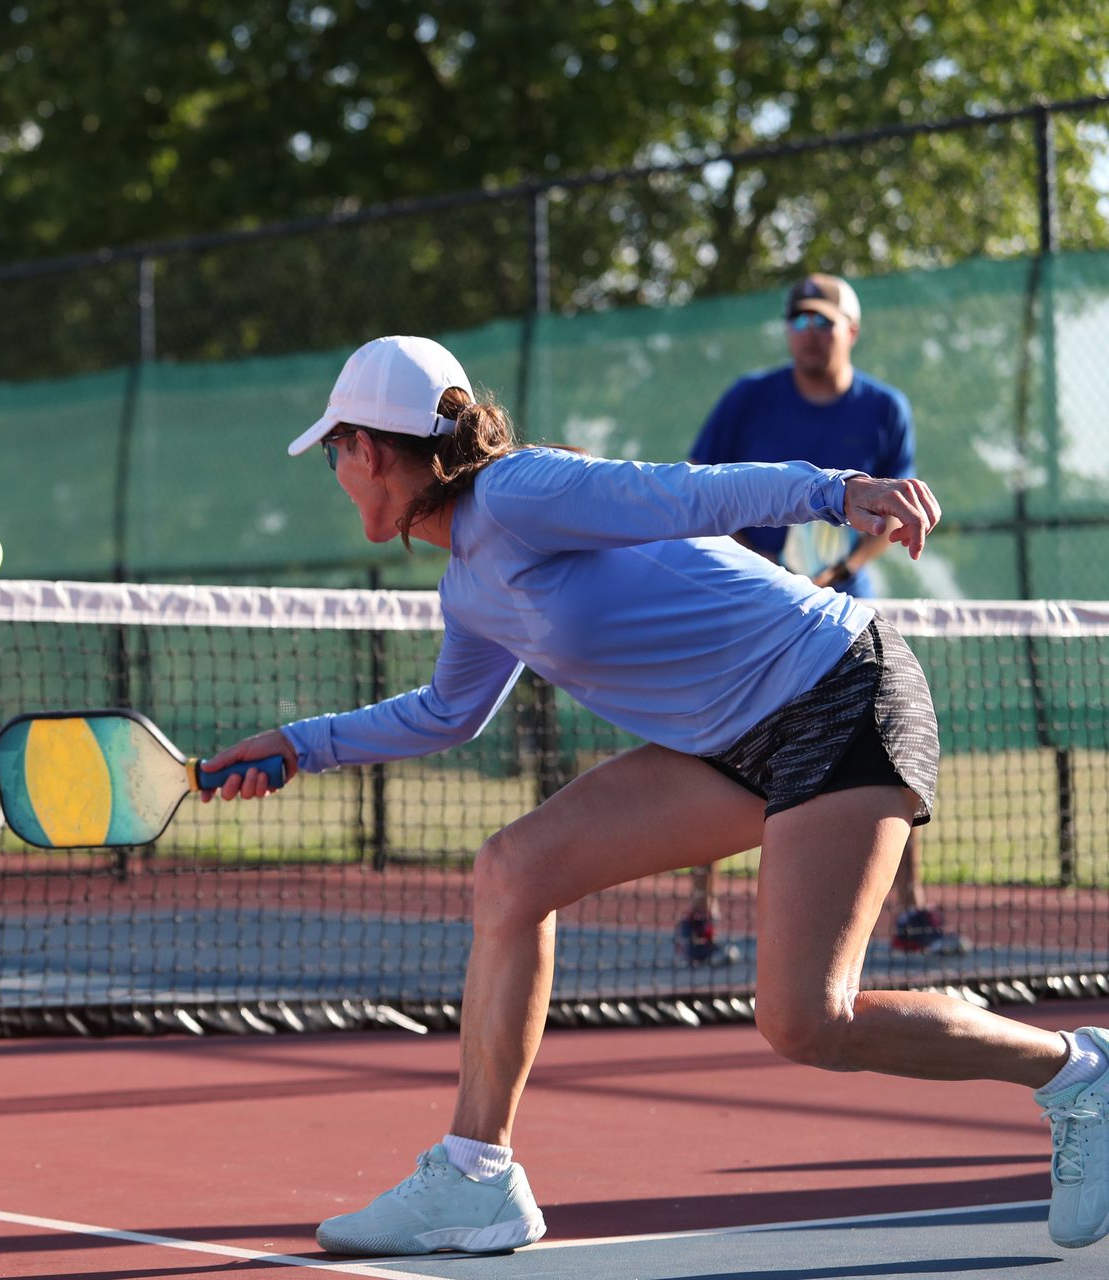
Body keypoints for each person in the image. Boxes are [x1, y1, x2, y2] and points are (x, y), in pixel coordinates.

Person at [202, 335, 1108, 1257]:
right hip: (725, 742)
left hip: (839, 690)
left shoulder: (519, 491)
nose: (335, 469)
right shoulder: (470, 585)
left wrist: (838, 490)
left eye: (334, 450)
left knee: (805, 1019)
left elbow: (687, 493)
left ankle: (1078, 1073)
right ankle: (476, 1177)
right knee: (515, 871)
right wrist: (297, 745)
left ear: (366, 449)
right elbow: (448, 713)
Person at [680, 273, 963, 967]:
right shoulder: (747, 400)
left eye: (823, 322)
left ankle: (909, 912)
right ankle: (701, 914)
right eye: (799, 322)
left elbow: (893, 509)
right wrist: (757, 573)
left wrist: (831, 575)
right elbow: (697, 489)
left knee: (887, 749)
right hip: (750, 602)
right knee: (718, 741)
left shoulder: (884, 408)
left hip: (842, 618)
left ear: (851, 330)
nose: (810, 334)